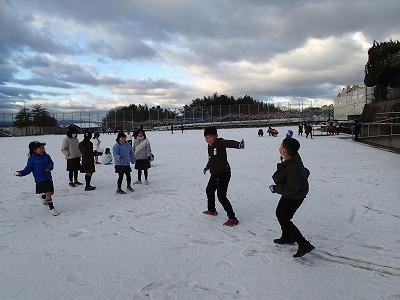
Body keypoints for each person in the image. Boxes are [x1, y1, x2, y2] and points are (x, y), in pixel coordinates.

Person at [269, 138, 314, 258]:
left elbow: (292, 189)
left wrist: (276, 189)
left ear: (283, 150)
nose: (279, 147)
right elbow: (291, 148)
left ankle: (304, 244)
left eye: (281, 146)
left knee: (285, 218)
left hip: (295, 195)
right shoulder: (292, 156)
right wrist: (288, 138)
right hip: (292, 192)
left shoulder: (293, 168)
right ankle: (287, 236)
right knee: (279, 213)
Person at [203, 126, 244, 226]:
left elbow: (228, 142)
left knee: (221, 196)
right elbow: (211, 159)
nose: (208, 139)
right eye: (206, 137)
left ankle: (232, 218)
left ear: (216, 136)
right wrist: (207, 167)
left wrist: (239, 145)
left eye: (210, 137)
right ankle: (212, 210)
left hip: (223, 173)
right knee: (209, 190)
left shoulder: (220, 142)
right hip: (215, 173)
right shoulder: (210, 146)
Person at [15, 141, 59, 216]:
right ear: (34, 150)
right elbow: (28, 168)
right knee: (48, 193)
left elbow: (51, 163)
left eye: (43, 148)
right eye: (40, 149)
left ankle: (43, 197)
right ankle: (52, 208)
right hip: (40, 179)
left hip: (48, 177)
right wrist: (21, 173)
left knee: (50, 193)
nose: (42, 150)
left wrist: (49, 167)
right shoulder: (32, 159)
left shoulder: (47, 156)